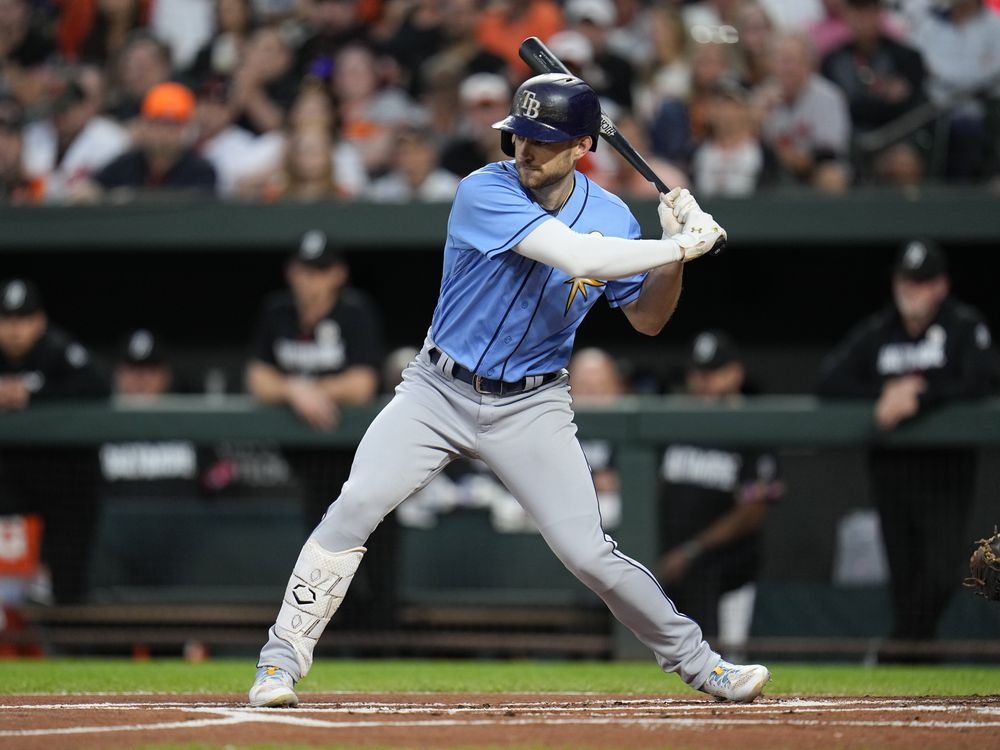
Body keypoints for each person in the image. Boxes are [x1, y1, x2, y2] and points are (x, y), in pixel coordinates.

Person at [248, 72, 770, 707]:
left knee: (589, 552)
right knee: (355, 505)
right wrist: (676, 243)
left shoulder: (610, 214)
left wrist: (673, 261)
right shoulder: (482, 190)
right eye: (519, 134)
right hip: (437, 391)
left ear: (583, 146)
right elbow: (579, 258)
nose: (525, 149)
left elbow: (649, 318)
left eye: (544, 140)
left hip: (532, 404)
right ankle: (278, 665)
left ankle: (702, 664)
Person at [816, 240, 997, 659]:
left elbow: (982, 379)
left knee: (939, 571)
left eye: (923, 281)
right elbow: (830, 380)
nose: (913, 290)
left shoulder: (963, 325)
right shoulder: (880, 331)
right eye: (907, 280)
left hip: (945, 470)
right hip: (893, 469)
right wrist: (887, 391)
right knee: (905, 574)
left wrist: (922, 395)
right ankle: (917, 656)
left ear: (941, 285)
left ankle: (900, 648)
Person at [657, 330, 784, 659]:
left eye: (713, 373)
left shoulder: (752, 429)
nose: (704, 382)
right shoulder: (671, 424)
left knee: (725, 656)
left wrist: (693, 549)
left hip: (726, 567)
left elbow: (755, 509)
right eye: (698, 373)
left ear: (735, 374)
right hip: (669, 561)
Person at [0, 278, 110, 604]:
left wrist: (31, 392)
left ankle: (68, 648)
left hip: (64, 480)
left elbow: (99, 385)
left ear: (40, 321)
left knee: (68, 584)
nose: (14, 329)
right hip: (11, 481)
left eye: (23, 319)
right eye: (7, 319)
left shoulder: (57, 349)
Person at [84, 81, 218, 197]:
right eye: (157, 123)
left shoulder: (201, 171)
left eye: (173, 125)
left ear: (186, 129)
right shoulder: (124, 165)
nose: (164, 133)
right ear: (143, 125)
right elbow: (93, 189)